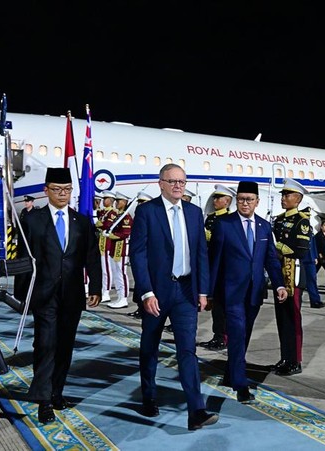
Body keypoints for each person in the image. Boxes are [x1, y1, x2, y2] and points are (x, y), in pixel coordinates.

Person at [129, 163, 219, 431]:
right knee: (149, 347)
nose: (179, 186)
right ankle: (149, 396)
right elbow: (138, 254)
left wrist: (203, 291)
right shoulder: (147, 212)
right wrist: (146, 291)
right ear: (161, 183)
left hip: (186, 292)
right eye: (173, 181)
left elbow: (201, 253)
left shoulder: (193, 213)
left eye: (182, 181)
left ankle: (196, 410)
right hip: (156, 292)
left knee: (187, 351)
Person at [24, 167, 102, 424]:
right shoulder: (33, 220)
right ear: (46, 191)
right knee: (46, 345)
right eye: (57, 190)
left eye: (67, 190)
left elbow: (92, 256)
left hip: (72, 295)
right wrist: (22, 294)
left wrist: (96, 288)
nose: (62, 194)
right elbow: (24, 258)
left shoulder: (82, 222)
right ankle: (43, 400)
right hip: (44, 294)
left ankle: (57, 392)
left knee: (65, 347)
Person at [208, 181, 287, 403]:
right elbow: (214, 260)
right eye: (241, 199)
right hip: (230, 292)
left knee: (244, 336)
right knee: (237, 333)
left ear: (257, 202)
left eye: (249, 200)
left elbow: (270, 258)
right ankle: (241, 384)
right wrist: (208, 293)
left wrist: (279, 285)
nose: (245, 203)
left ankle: (229, 374)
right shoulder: (224, 224)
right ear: (236, 201)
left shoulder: (264, 227)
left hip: (254, 293)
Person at [270, 178, 312, 376]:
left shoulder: (302, 222)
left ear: (298, 199)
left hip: (293, 275)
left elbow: (300, 250)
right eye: (283, 195)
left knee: (293, 319)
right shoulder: (279, 220)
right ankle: (284, 357)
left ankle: (295, 360)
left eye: (288, 195)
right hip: (280, 274)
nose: (283, 198)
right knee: (282, 319)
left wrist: (275, 246)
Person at [199, 184, 236, 351]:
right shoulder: (212, 218)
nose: (215, 200)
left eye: (218, 198)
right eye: (215, 197)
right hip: (211, 263)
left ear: (227, 201)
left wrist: (209, 236)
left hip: (224, 267)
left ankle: (224, 337)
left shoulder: (230, 220)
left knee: (223, 305)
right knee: (214, 304)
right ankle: (217, 335)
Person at [127, 191, 153, 319]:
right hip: (139, 255)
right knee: (138, 283)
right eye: (139, 202)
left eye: (142, 202)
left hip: (149, 256)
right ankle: (139, 308)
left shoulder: (151, 215)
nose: (140, 204)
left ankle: (144, 309)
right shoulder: (140, 214)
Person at [104, 192, 132, 309]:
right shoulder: (118, 216)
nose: (116, 203)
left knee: (121, 273)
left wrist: (111, 235)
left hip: (121, 248)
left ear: (124, 203)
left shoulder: (126, 217)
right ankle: (119, 297)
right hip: (114, 248)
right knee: (116, 273)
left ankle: (123, 298)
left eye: (119, 201)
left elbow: (125, 234)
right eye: (116, 201)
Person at [14, 195, 40, 302]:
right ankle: (19, 294)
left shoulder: (36, 214)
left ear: (32, 202)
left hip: (30, 246)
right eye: (25, 201)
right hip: (22, 245)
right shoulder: (24, 212)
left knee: (28, 270)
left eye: (28, 201)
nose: (26, 203)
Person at [95, 190, 117, 302]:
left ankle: (106, 292)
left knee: (106, 269)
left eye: (105, 199)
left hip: (107, 244)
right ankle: (103, 290)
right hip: (101, 243)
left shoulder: (112, 213)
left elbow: (107, 225)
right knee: (101, 269)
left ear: (111, 200)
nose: (103, 201)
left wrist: (99, 224)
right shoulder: (104, 212)